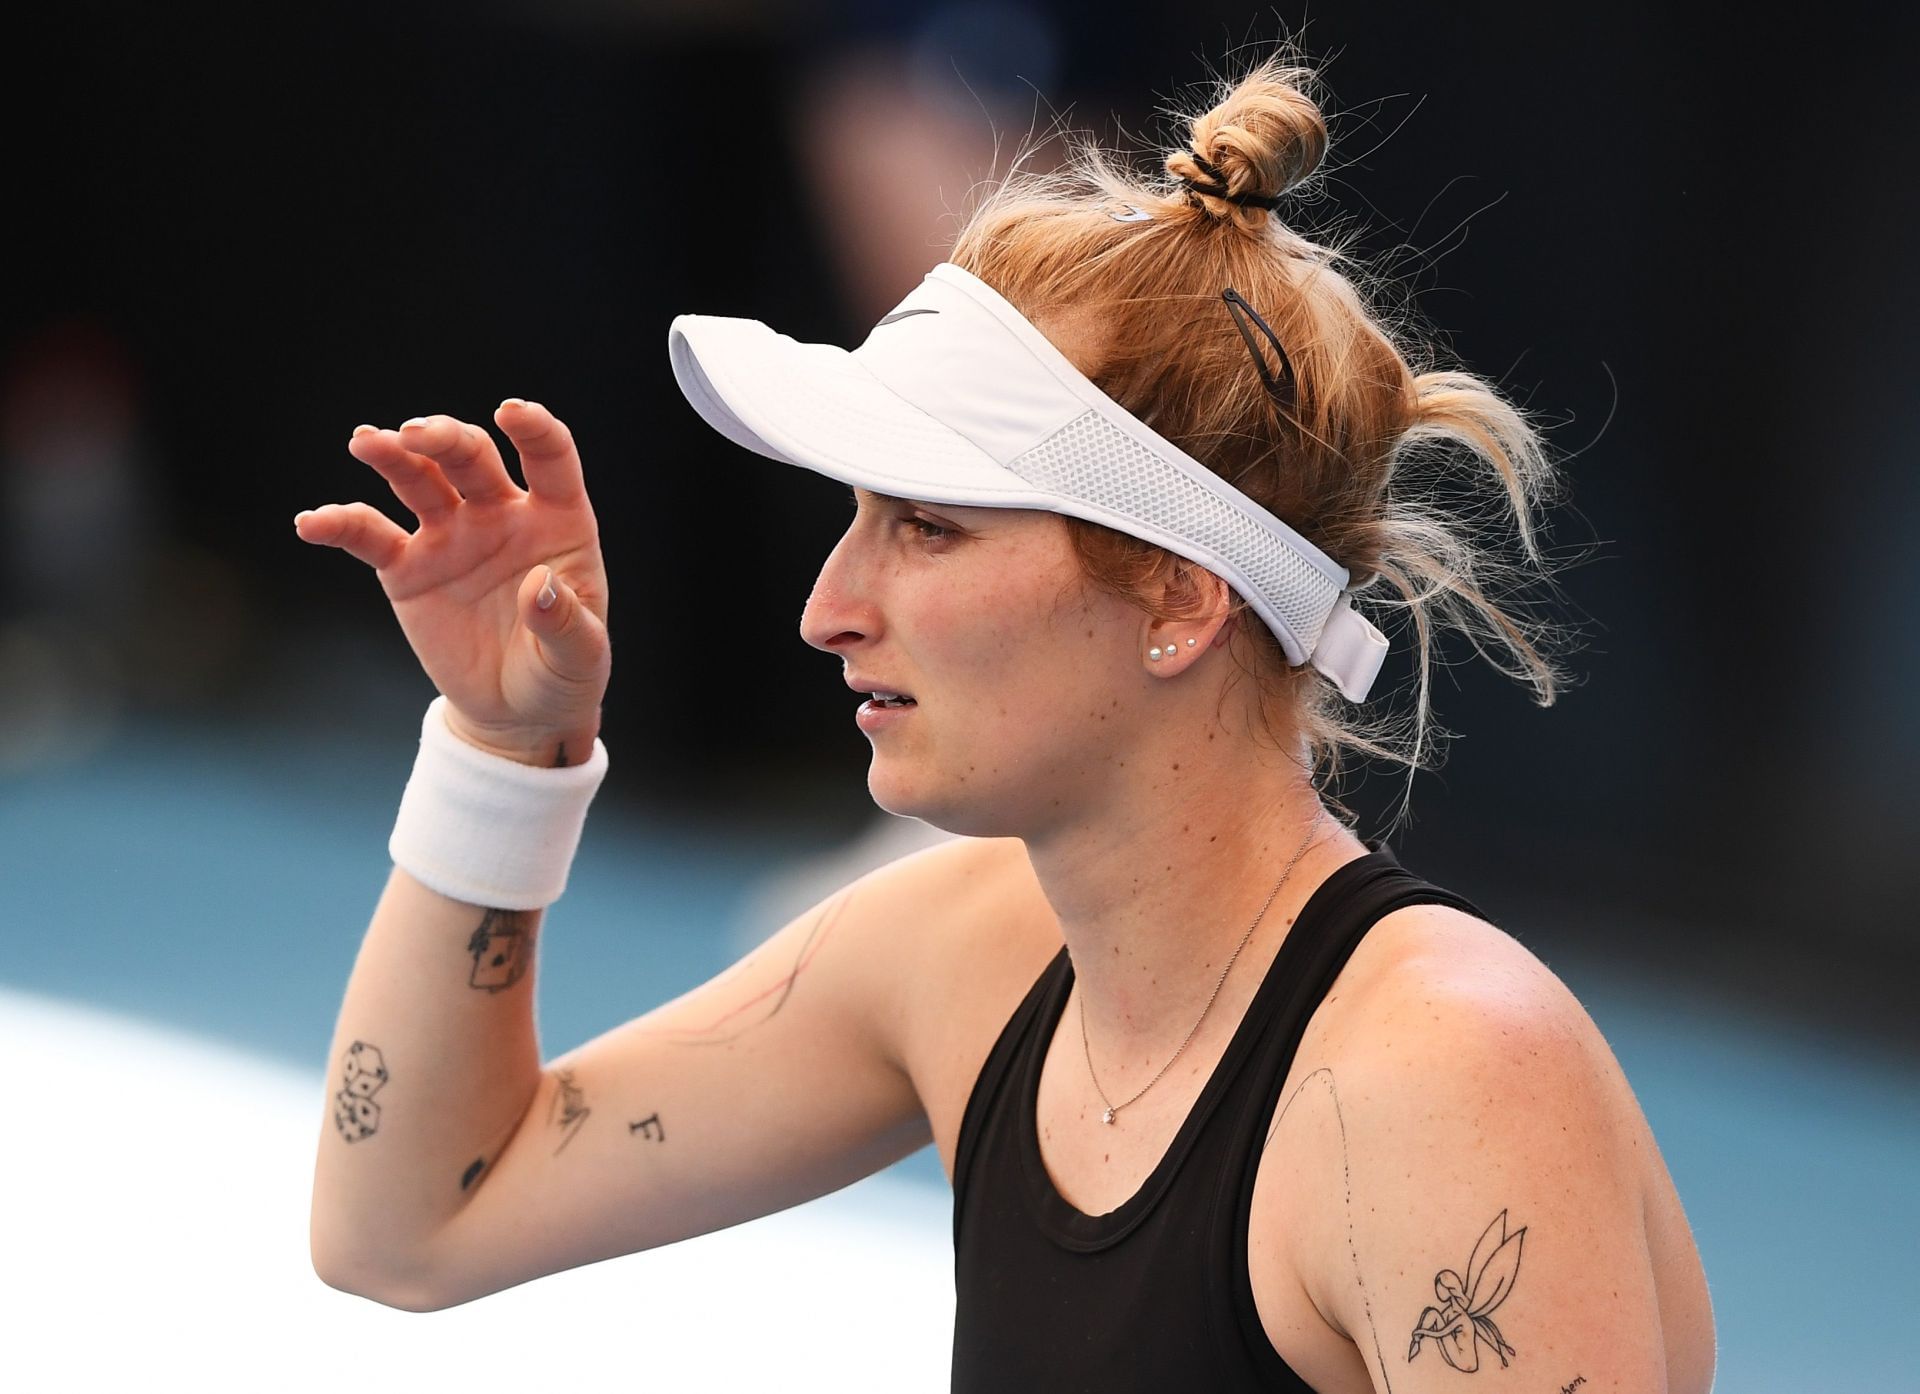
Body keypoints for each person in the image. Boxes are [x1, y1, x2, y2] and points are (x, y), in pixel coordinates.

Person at [300, 49, 1715, 1393]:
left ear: (1178, 596)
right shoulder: (960, 952)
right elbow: (411, 1223)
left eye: (926, 525)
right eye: (856, 516)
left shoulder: (1451, 1079)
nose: (830, 605)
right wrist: (504, 749)